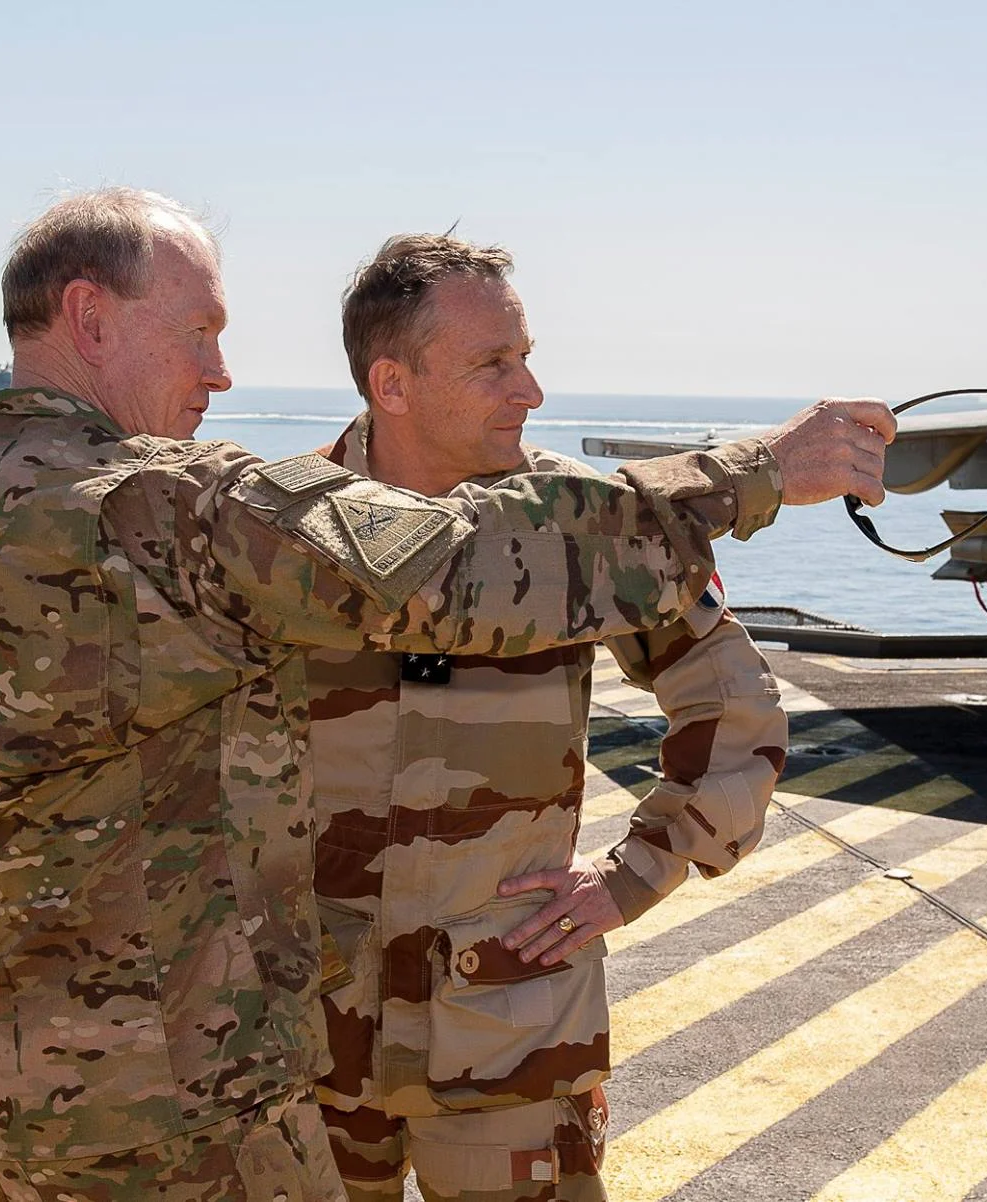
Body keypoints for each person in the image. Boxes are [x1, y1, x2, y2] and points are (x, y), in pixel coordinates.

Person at [0, 188, 893, 1202]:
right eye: (199, 330)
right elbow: (446, 565)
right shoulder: (197, 519)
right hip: (249, 1078)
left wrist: (627, 881)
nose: (221, 369)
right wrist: (757, 469)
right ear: (88, 316)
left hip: (451, 1032)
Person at [304, 235, 792, 1201]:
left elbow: (735, 702)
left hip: (509, 1029)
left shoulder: (589, 525)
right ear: (391, 384)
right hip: (305, 1032)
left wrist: (638, 874)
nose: (529, 390)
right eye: (494, 364)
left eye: (524, 356)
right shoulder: (282, 528)